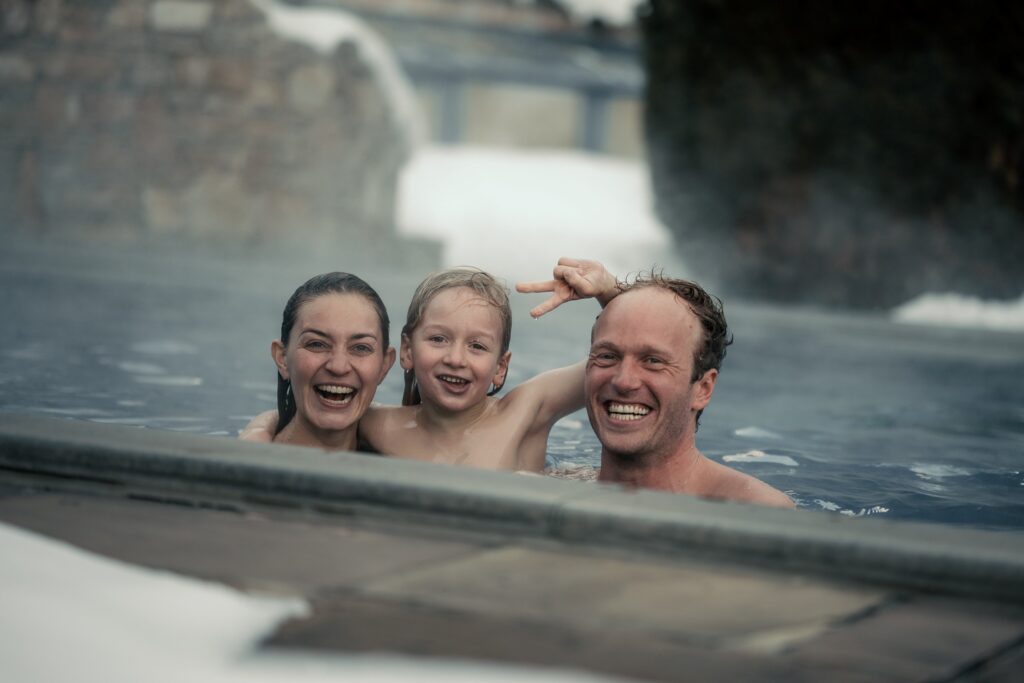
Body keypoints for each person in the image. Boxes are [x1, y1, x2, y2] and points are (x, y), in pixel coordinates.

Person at [243, 262, 620, 472]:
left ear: (500, 367)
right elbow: (309, 414)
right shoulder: (379, 425)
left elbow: (621, 360)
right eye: (438, 339)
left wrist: (610, 293)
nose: (455, 358)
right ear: (407, 351)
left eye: (477, 346)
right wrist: (259, 432)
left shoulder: (526, 410)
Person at [522, 264, 794, 508]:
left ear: (703, 389)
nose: (623, 381)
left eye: (653, 361)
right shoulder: (547, 489)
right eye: (607, 356)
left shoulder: (753, 511)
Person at [238, 272, 395, 451]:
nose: (338, 366)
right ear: (282, 358)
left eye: (360, 348)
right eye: (317, 344)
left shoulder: (403, 458)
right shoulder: (248, 455)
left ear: (384, 365)